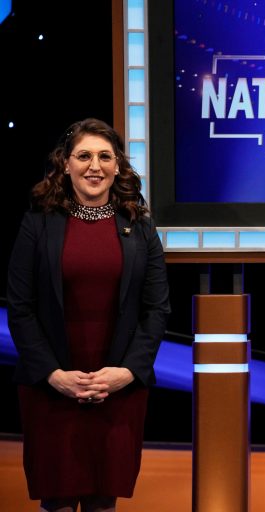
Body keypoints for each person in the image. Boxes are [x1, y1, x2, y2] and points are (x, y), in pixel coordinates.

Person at [7, 118, 171, 512]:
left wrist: (126, 373)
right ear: (66, 164)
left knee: (103, 500)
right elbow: (20, 306)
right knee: (58, 500)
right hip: (53, 388)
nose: (94, 166)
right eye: (84, 156)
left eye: (104, 156)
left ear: (117, 167)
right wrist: (53, 374)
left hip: (117, 389)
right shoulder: (37, 224)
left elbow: (156, 310)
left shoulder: (141, 229)